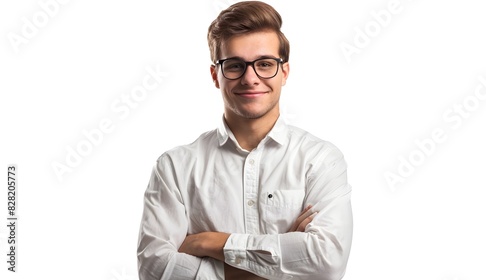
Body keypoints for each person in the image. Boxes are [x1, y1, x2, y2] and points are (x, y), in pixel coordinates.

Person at [137, 1, 353, 279]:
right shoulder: (175, 168)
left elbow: (328, 262)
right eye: (235, 65)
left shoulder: (320, 160)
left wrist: (209, 243)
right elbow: (154, 269)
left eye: (265, 64)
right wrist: (285, 262)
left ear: (284, 72)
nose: (250, 78)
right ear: (216, 75)